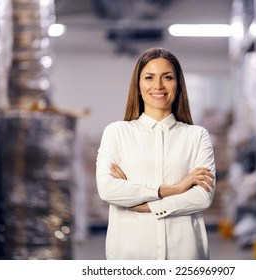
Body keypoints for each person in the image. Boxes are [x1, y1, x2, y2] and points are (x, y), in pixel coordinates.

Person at [96, 47, 216, 260]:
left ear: (178, 86)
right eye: (149, 77)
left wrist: (146, 204)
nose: (158, 86)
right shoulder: (117, 132)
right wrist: (175, 189)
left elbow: (201, 197)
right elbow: (107, 189)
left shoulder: (197, 136)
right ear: (138, 85)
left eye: (167, 77)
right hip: (130, 255)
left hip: (185, 256)